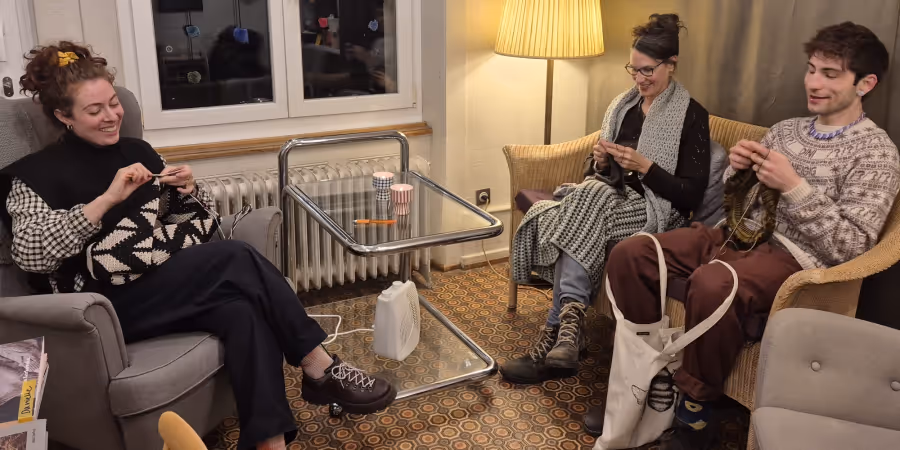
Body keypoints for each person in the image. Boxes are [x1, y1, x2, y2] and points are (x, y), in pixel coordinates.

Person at [0, 42, 396, 450]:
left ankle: (270, 443)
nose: (112, 116)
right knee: (235, 256)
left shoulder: (137, 150)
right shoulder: (32, 176)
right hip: (102, 307)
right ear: (64, 116)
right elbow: (31, 253)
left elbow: (191, 221)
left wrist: (190, 189)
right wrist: (106, 200)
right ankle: (319, 366)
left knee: (243, 311)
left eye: (114, 103)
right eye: (94, 110)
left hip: (161, 281)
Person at [604, 22, 899, 449]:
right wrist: (737, 170)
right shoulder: (786, 130)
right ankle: (645, 379)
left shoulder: (876, 152)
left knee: (714, 282)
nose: (813, 83)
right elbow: (738, 201)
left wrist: (793, 186)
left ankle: (695, 414)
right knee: (632, 253)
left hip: (796, 258)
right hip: (735, 236)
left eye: (830, 74)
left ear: (865, 84)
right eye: (811, 69)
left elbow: (852, 247)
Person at [500, 13, 711, 390]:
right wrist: (598, 162)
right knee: (590, 195)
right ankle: (567, 332)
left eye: (648, 71)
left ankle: (558, 333)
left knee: (579, 204)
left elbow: (690, 195)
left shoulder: (692, 116)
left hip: (656, 209)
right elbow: (596, 175)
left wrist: (646, 167)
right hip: (608, 198)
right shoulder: (622, 106)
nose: (639, 79)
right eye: (634, 69)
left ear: (671, 64)